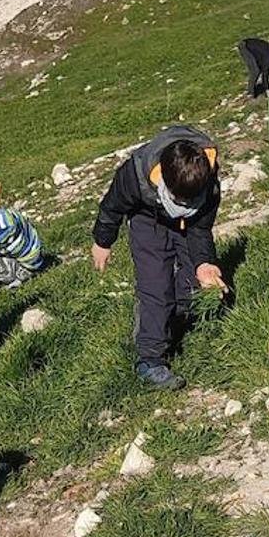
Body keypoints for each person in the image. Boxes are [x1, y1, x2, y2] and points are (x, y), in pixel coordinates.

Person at [91, 126, 226, 390]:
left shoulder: (207, 182)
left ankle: (172, 320)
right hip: (147, 218)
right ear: (162, 177)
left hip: (188, 225)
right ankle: (149, 360)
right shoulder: (136, 174)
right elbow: (112, 205)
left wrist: (204, 264)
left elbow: (200, 229)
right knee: (155, 286)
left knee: (191, 287)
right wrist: (102, 241)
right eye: (177, 199)